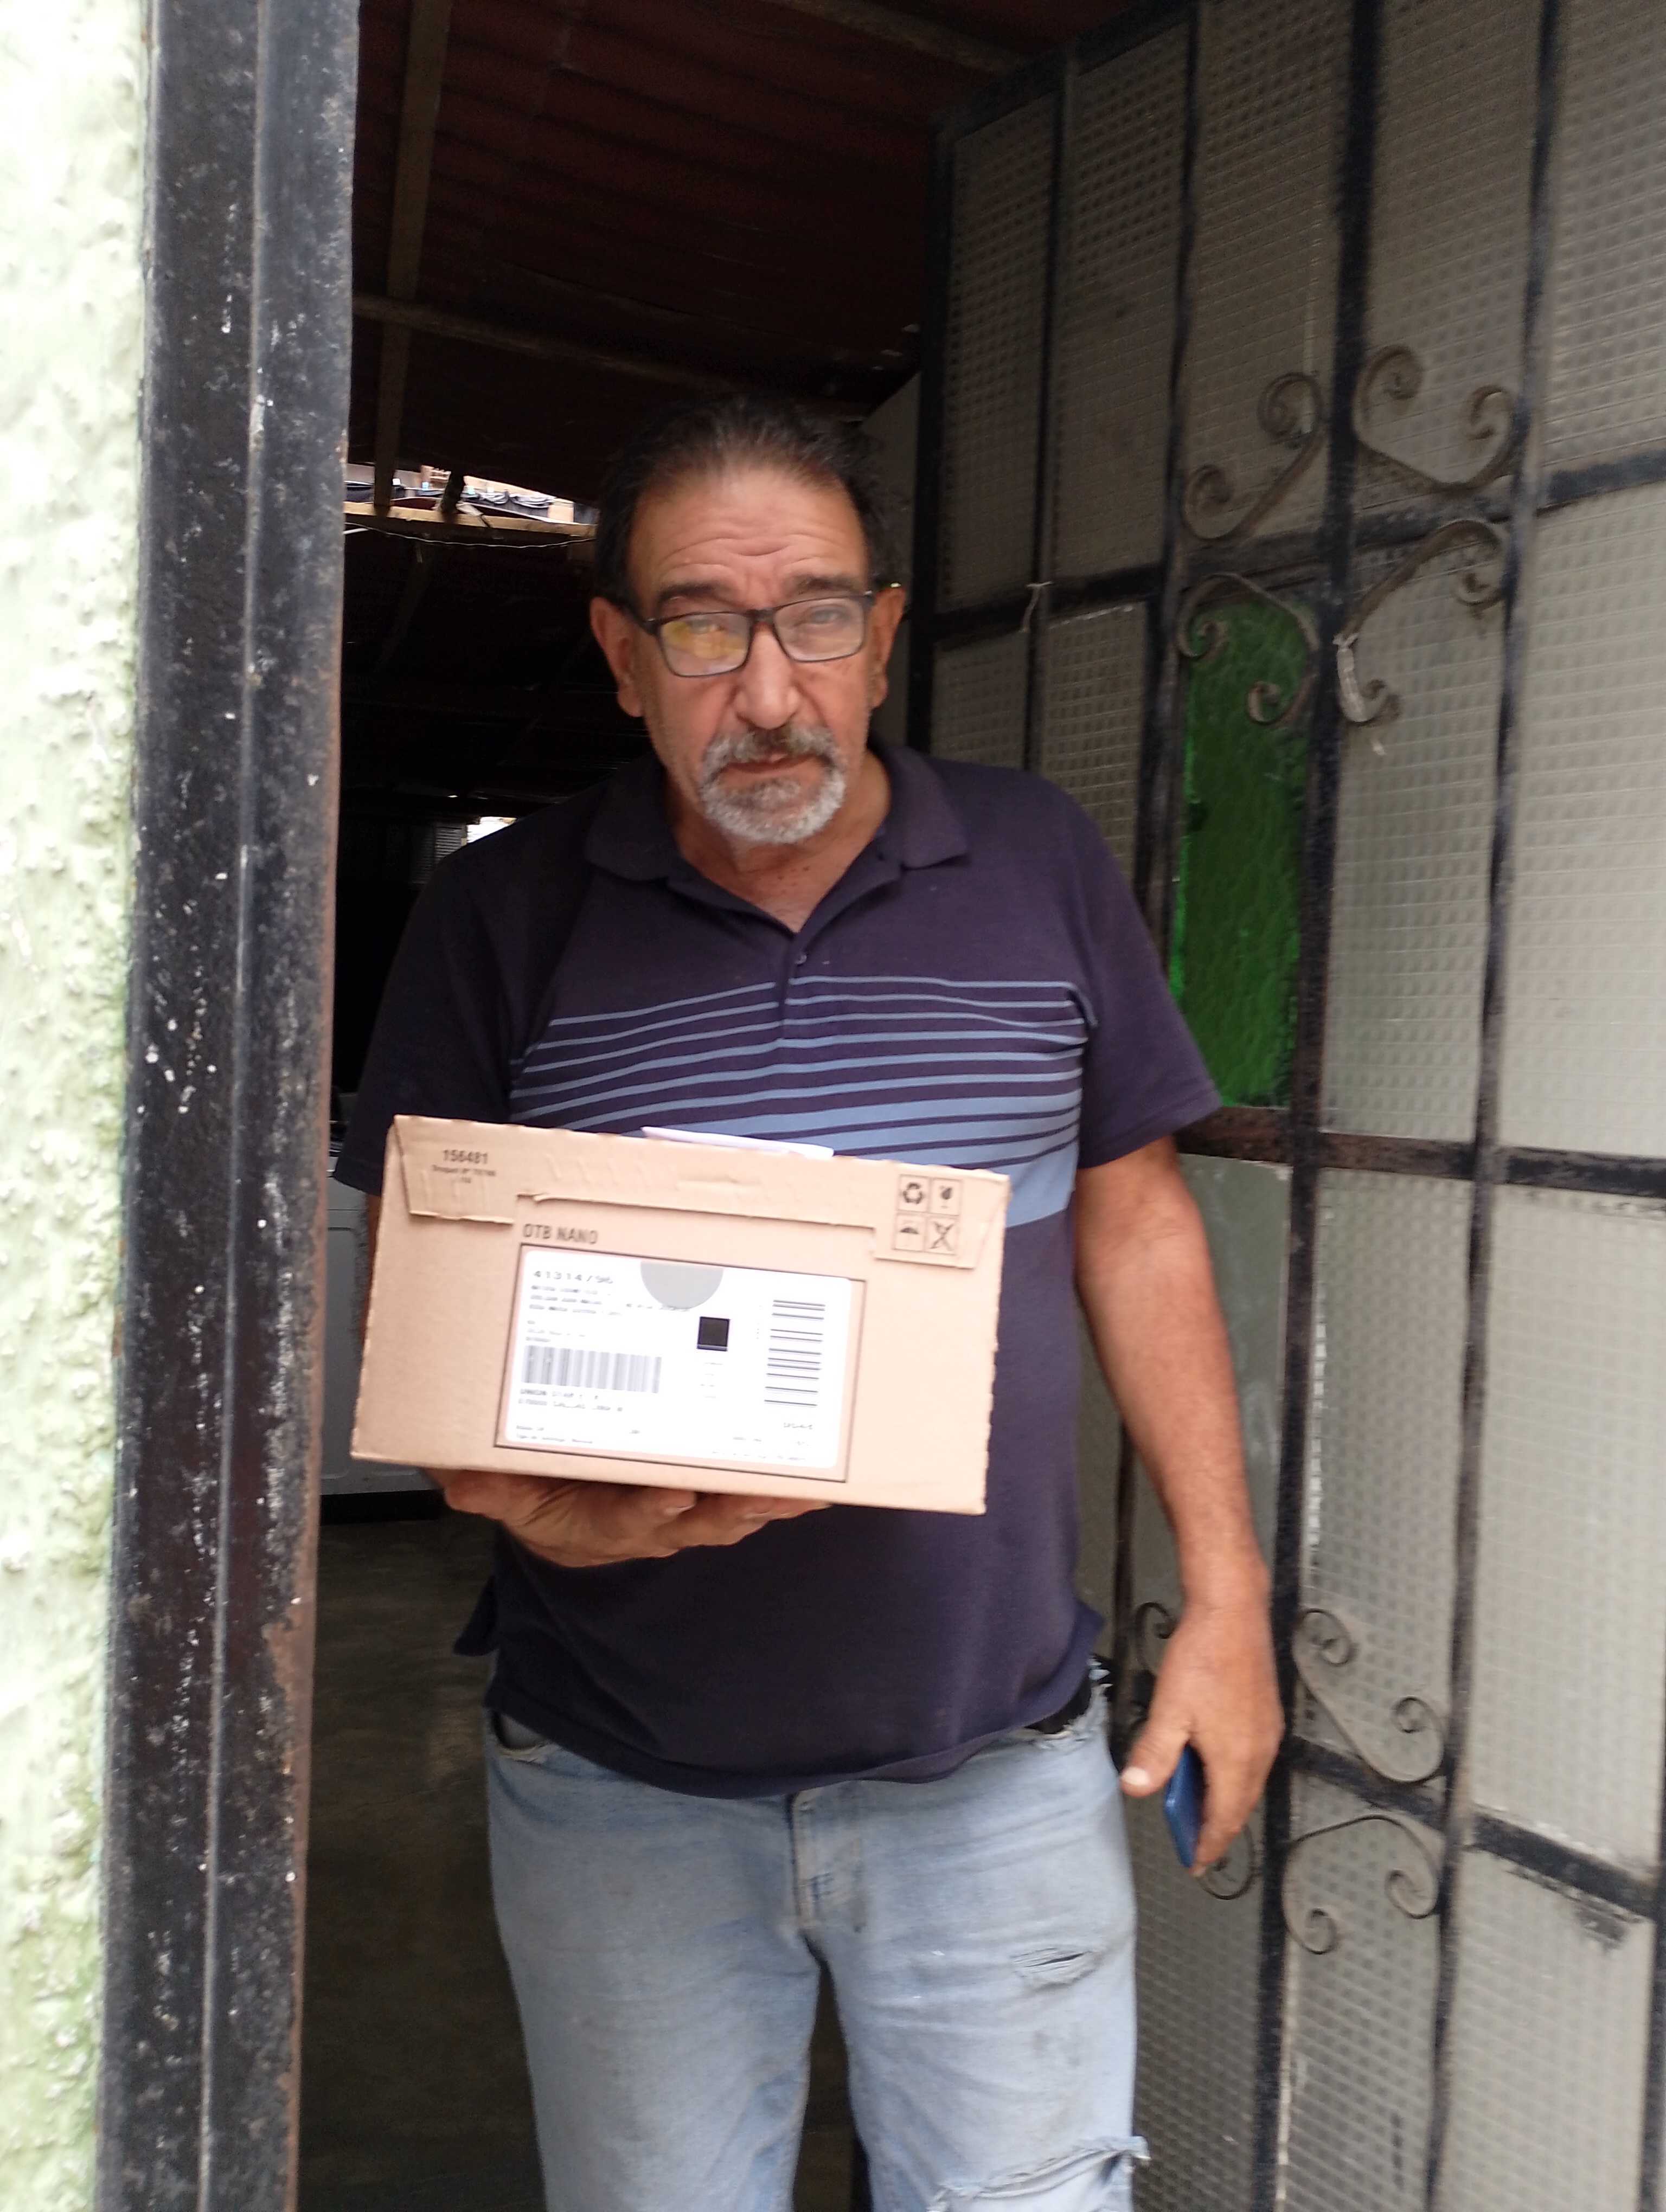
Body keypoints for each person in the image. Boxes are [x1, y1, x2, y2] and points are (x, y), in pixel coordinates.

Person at [336, 393, 1281, 2212]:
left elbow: (1136, 1219)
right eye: (704, 627)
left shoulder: (1036, 862)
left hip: (996, 1768)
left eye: (818, 619)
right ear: (623, 656)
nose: (769, 692)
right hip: (619, 1779)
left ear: (886, 632)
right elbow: (425, 1295)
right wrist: (514, 1499)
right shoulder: (507, 914)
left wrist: (1229, 1600)